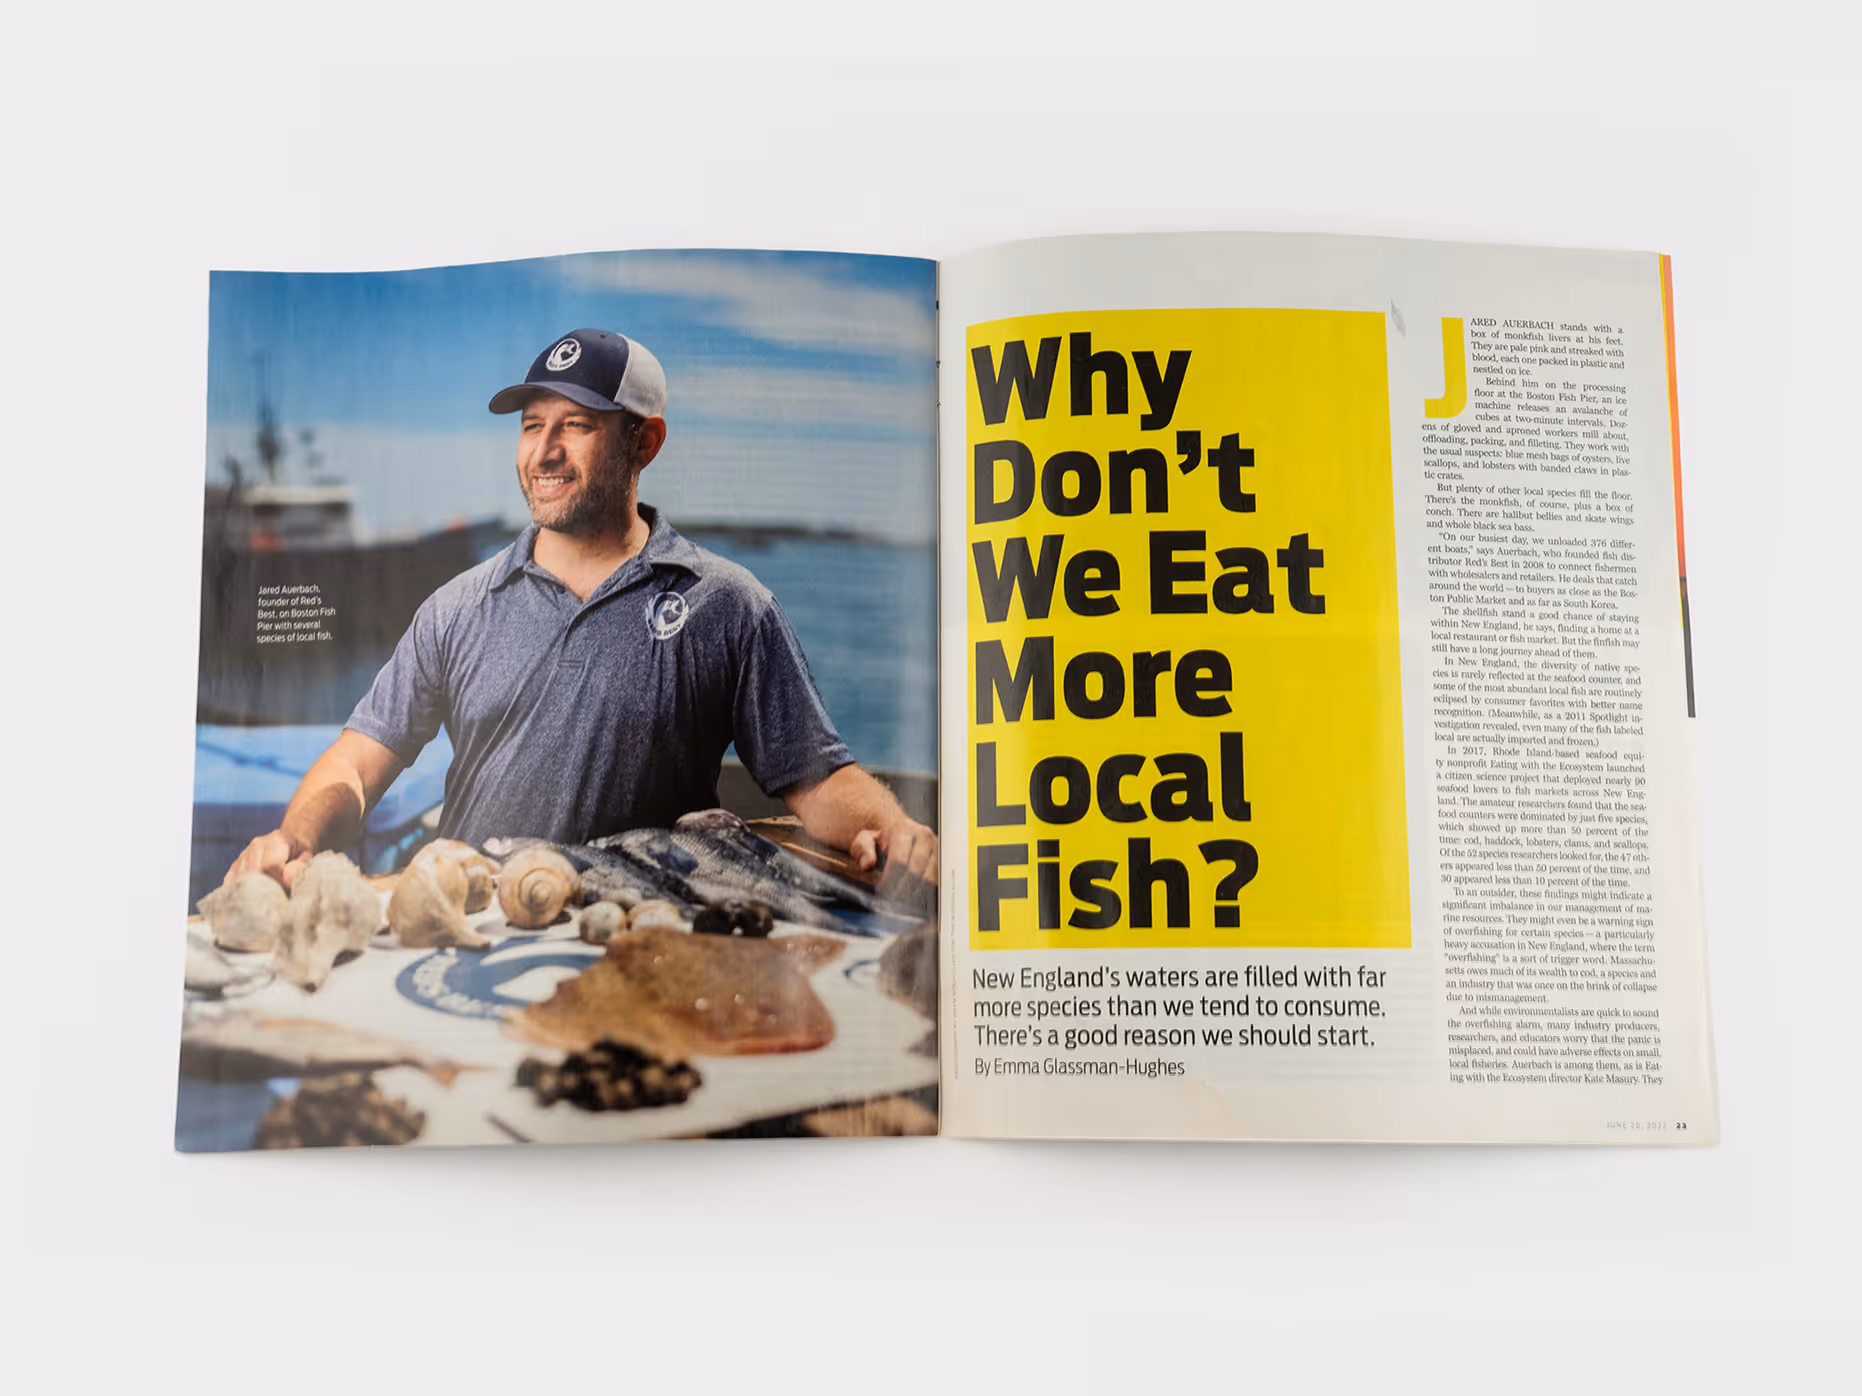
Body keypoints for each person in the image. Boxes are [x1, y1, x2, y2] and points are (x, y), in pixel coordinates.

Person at [226, 327, 937, 899]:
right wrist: (295, 841)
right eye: (533, 426)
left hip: (635, 943)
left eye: (576, 426)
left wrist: (892, 829)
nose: (545, 451)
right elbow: (353, 766)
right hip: (469, 929)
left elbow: (814, 781)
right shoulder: (457, 607)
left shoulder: (729, 606)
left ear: (643, 443)